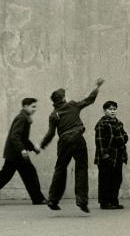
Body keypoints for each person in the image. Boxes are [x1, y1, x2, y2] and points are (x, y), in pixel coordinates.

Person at [40, 79, 105, 213]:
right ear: (63, 98)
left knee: (60, 169)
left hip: (64, 141)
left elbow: (51, 134)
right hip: (78, 138)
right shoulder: (72, 105)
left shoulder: (54, 115)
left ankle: (53, 199)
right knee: (81, 168)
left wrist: (41, 146)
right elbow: (89, 100)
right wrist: (97, 87)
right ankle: (82, 201)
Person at [0, 98, 46, 206]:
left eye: (35, 107)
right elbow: (15, 136)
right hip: (16, 154)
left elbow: (23, 138)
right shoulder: (22, 119)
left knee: (7, 175)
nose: (35, 109)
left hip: (14, 153)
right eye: (33, 106)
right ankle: (38, 198)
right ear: (25, 106)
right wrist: (22, 150)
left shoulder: (24, 118)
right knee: (28, 173)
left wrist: (33, 148)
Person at [94, 101, 128, 210]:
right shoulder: (101, 124)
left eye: (114, 109)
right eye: (110, 109)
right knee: (105, 180)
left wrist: (118, 139)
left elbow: (125, 137)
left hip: (118, 156)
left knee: (117, 179)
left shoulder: (119, 123)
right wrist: (105, 155)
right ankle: (104, 202)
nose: (113, 111)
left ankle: (114, 201)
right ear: (105, 111)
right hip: (107, 157)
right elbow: (100, 141)